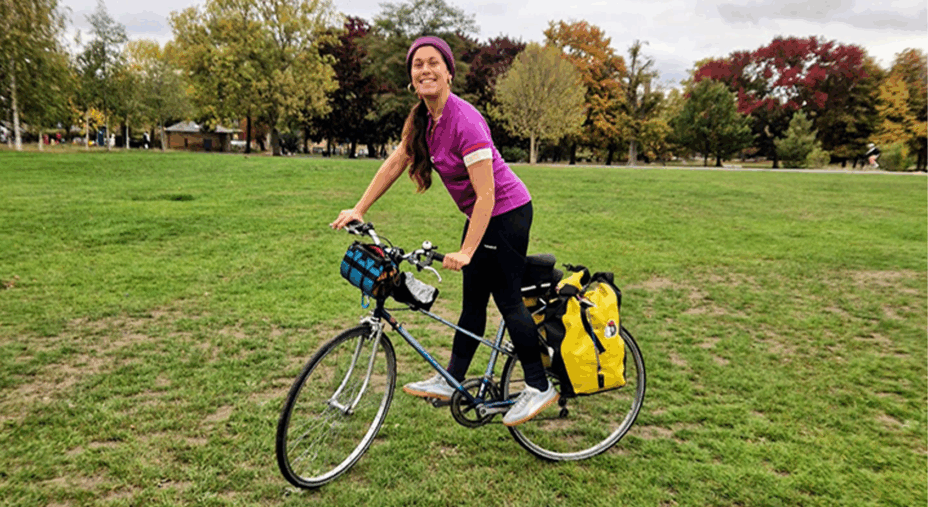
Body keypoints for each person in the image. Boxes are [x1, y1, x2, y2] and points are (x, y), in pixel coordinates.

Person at [330, 36, 558, 426]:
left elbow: (487, 195)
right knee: (472, 303)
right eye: (417, 64)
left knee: (507, 299)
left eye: (433, 62)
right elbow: (396, 162)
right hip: (483, 215)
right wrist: (360, 208)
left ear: (449, 73)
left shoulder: (465, 121)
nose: (425, 69)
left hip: (508, 212)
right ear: (411, 78)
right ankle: (453, 379)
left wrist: (468, 250)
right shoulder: (423, 119)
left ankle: (539, 386)